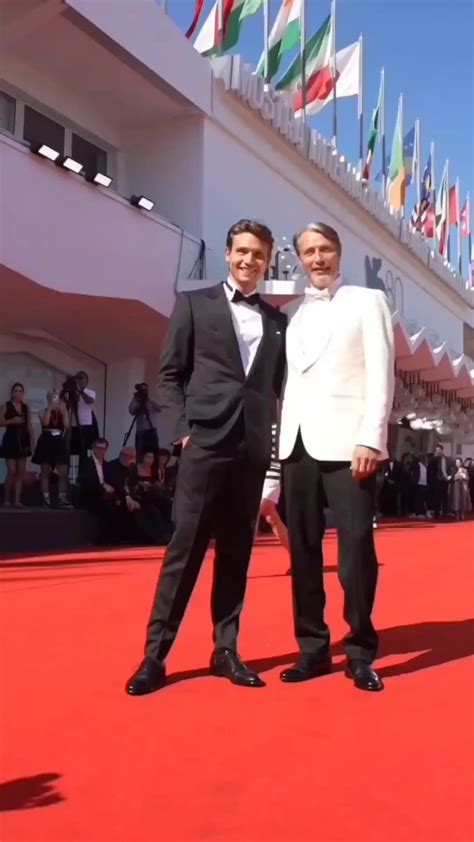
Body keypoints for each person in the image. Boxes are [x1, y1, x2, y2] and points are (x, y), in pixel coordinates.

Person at [126, 218, 286, 695]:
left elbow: (279, 391)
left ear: (268, 259)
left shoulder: (278, 322)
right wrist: (183, 434)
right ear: (227, 253)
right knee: (185, 551)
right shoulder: (194, 305)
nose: (249, 261)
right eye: (242, 251)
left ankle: (225, 650)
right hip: (205, 444)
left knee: (237, 553)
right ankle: (155, 656)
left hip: (251, 450)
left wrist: (274, 455)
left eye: (258, 254)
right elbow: (170, 375)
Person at [279, 222, 395, 692]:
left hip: (351, 447)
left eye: (324, 249)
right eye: (308, 251)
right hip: (298, 447)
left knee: (355, 553)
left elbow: (381, 374)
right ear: (300, 259)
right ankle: (312, 648)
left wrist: (372, 437)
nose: (317, 258)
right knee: (303, 551)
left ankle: (361, 651)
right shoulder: (291, 313)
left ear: (339, 253)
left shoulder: (368, 302)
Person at [31, 389, 72, 509]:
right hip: (46, 440)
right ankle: (46, 498)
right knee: (45, 471)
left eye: (56, 397)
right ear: (48, 398)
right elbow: (45, 423)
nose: (55, 399)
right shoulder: (42, 410)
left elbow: (66, 425)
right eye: (52, 397)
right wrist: (50, 408)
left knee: (63, 471)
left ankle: (62, 498)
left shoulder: (63, 410)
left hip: (59, 440)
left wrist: (64, 411)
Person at [259, 421, 290, 566]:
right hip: (255, 469)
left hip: (271, 468)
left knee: (261, 508)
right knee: (271, 516)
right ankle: (297, 558)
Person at [0, 383, 34, 507]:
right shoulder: (6, 405)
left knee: (20, 472)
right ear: (12, 392)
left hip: (23, 440)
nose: (18, 393)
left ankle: (17, 500)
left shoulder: (26, 407)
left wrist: (32, 441)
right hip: (10, 439)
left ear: (23, 393)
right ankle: (6, 500)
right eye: (15, 390)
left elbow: (29, 426)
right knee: (11, 470)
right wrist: (11, 421)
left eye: (20, 391)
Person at [68, 371, 97, 464]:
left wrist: (80, 391)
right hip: (75, 425)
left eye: (81, 378)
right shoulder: (73, 392)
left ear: (86, 381)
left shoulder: (90, 392)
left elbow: (89, 401)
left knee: (84, 450)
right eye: (78, 378)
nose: (79, 380)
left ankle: (83, 472)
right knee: (75, 449)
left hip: (86, 424)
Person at [128, 384, 161, 461]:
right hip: (140, 432)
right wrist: (135, 399)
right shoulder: (137, 400)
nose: (143, 392)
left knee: (153, 454)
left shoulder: (151, 401)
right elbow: (131, 411)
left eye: (144, 390)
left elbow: (159, 408)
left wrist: (148, 399)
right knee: (140, 455)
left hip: (151, 431)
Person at [429, 445, 454, 519]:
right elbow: (430, 470)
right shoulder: (434, 460)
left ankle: (444, 514)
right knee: (437, 498)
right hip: (437, 482)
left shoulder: (449, 460)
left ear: (442, 450)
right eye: (436, 450)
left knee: (445, 498)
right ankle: (436, 513)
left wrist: (450, 476)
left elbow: (452, 469)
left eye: (439, 450)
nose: (438, 452)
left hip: (446, 481)